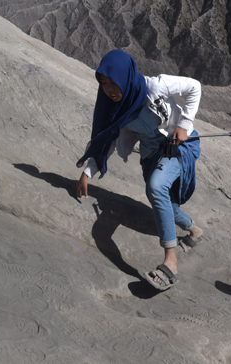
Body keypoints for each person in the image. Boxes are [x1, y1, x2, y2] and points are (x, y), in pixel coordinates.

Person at [75, 50, 202, 291]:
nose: (110, 90)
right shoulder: (115, 107)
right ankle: (195, 231)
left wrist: (184, 125)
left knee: (156, 187)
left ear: (127, 77)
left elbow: (193, 87)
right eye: (104, 84)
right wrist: (87, 172)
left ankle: (170, 263)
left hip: (177, 146)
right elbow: (108, 140)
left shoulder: (154, 87)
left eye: (115, 83)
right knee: (162, 201)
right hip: (151, 154)